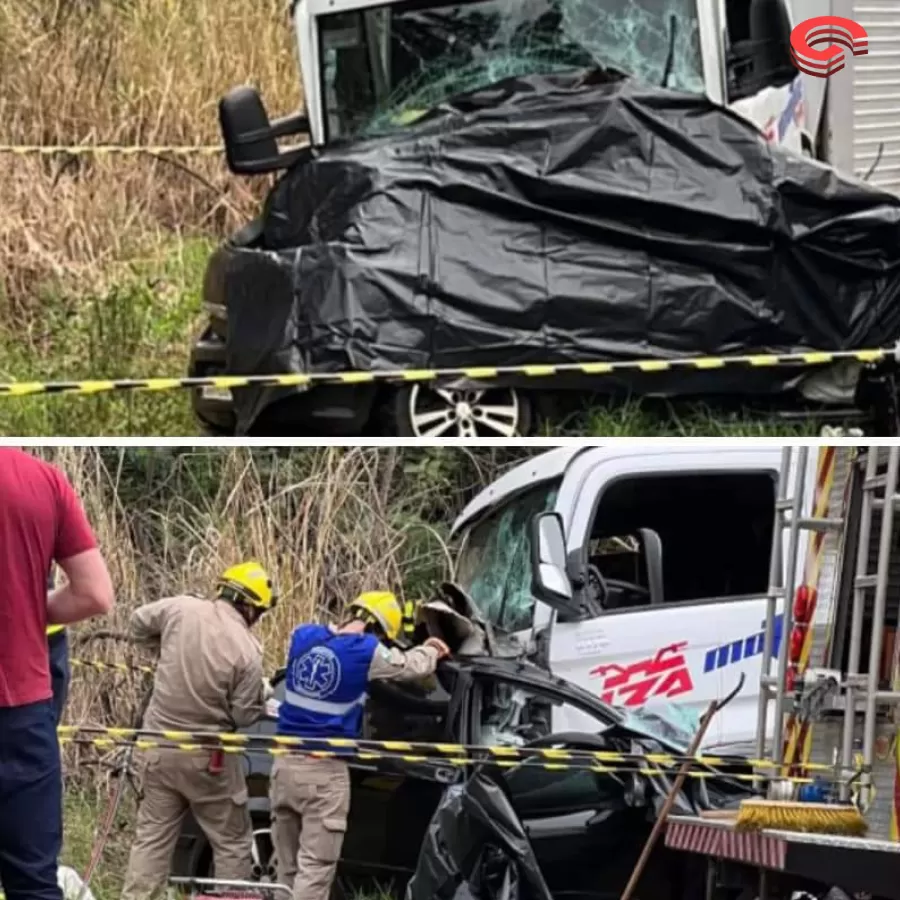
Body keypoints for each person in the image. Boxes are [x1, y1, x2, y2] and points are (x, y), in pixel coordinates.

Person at [270, 591, 450, 900]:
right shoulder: (365, 650)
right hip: (324, 774)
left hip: (283, 768)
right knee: (315, 869)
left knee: (288, 870)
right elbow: (411, 667)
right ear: (377, 631)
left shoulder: (303, 635)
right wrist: (432, 648)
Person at [120, 562, 276, 900]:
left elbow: (136, 622)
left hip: (157, 750)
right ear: (249, 606)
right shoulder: (248, 651)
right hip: (210, 762)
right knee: (232, 842)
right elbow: (244, 716)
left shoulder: (180, 609)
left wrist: (163, 652)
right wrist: (262, 696)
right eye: (259, 612)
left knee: (151, 840)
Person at [0, 448, 115, 900]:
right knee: (33, 884)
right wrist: (28, 610)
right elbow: (95, 594)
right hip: (22, 717)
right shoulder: (41, 479)